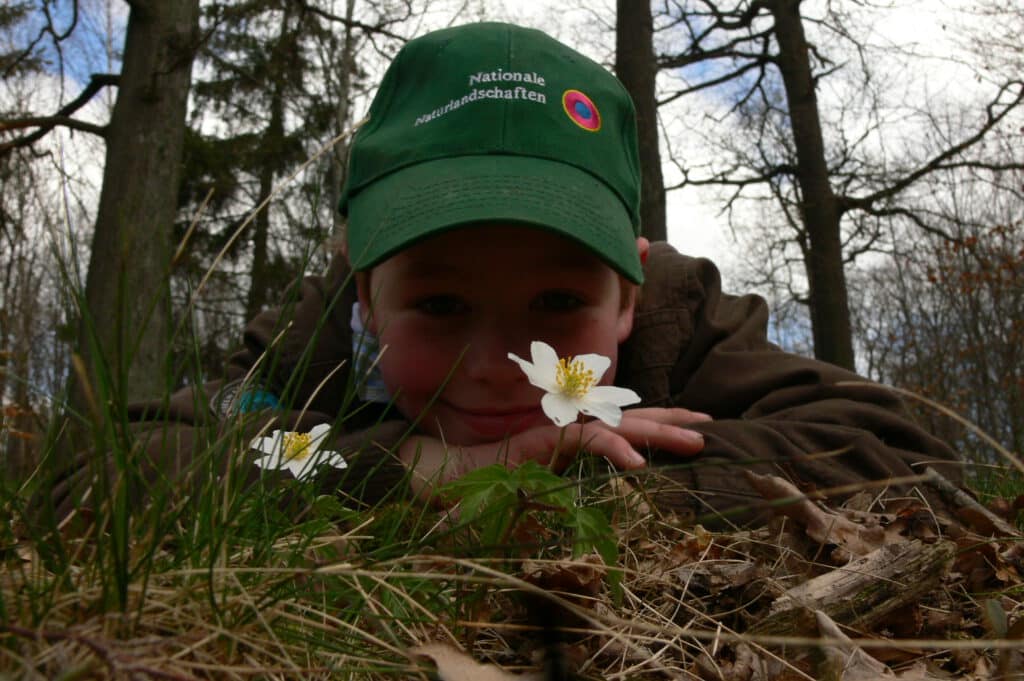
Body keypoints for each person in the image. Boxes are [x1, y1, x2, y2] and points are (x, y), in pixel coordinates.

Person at [52, 22, 961, 527]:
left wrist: (584, 480)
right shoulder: (326, 338)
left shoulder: (683, 319)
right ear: (366, 291)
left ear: (628, 295)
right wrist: (412, 468)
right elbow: (109, 456)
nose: (500, 359)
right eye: (441, 304)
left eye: (559, 301)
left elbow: (897, 446)